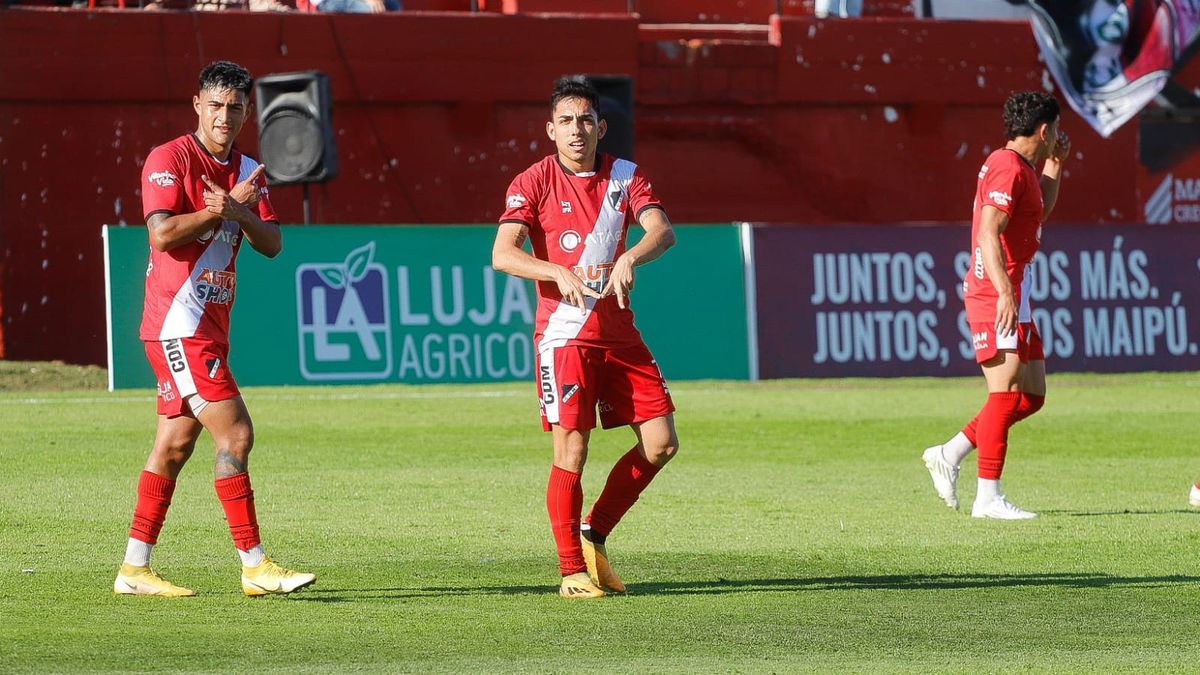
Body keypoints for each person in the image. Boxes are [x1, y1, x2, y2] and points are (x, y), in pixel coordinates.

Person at [114, 61, 315, 597]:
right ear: (197, 105)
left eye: (236, 107)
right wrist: (221, 211)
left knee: (174, 446)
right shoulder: (170, 158)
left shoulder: (248, 169)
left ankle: (134, 569)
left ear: (248, 112)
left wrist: (239, 212)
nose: (225, 116)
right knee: (237, 433)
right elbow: (162, 235)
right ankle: (254, 564)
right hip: (178, 324)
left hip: (208, 324)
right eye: (217, 105)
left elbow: (272, 244)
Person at [492, 76, 679, 599]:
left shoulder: (626, 175)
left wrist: (630, 256)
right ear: (551, 130)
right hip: (565, 335)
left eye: (586, 120)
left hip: (619, 332)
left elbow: (662, 230)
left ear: (601, 126)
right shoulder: (532, 181)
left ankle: (593, 531)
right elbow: (503, 253)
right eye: (566, 122)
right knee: (572, 450)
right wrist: (555, 271)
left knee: (661, 443)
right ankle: (571, 570)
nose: (577, 130)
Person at [922, 90, 1070, 520]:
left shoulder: (1020, 167)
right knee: (1004, 392)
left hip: (1016, 291)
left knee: (1031, 395)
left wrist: (1056, 164)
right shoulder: (1007, 168)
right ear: (1043, 130)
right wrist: (1005, 292)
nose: (1057, 135)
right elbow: (989, 231)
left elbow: (1037, 213)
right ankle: (988, 497)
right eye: (1055, 131)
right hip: (995, 291)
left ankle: (949, 452)